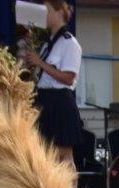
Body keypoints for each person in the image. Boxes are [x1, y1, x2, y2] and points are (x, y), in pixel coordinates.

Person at [25, 0, 83, 167]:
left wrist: (40, 63)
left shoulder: (70, 43)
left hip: (60, 103)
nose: (44, 14)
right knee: (45, 156)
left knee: (64, 156)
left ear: (59, 13)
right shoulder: (47, 44)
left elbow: (68, 78)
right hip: (45, 100)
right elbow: (45, 75)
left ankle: (70, 186)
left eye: (48, 10)